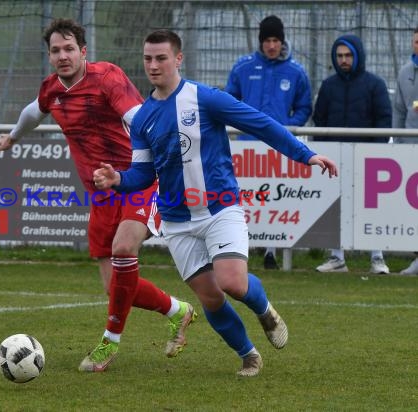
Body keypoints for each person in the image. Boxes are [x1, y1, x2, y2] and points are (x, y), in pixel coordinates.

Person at [93, 29, 338, 376]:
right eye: (148, 58)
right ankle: (249, 354)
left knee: (233, 282)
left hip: (220, 208)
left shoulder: (205, 98)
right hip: (177, 221)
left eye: (161, 57)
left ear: (178, 59)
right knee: (210, 297)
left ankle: (265, 309)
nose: (153, 65)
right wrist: (118, 180)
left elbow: (262, 124)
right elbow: (143, 175)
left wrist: (307, 155)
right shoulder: (142, 117)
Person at [0, 19, 196, 373]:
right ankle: (177, 311)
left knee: (123, 249)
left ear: (83, 51)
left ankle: (108, 345)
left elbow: (138, 118)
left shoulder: (107, 78)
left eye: (69, 48)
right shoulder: (52, 89)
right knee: (114, 285)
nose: (63, 55)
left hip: (137, 181)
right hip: (101, 195)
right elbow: (32, 113)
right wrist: (12, 137)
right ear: (50, 56)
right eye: (56, 50)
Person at [225, 15, 312, 270]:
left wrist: (286, 126)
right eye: (267, 40)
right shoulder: (243, 67)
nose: (272, 46)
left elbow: (305, 106)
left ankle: (272, 251)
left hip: (277, 147)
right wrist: (239, 125)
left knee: (275, 196)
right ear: (261, 42)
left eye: (276, 40)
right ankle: (242, 249)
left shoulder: (296, 71)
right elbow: (229, 101)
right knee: (245, 196)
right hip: (246, 145)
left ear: (282, 41)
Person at [312, 34, 392, 274]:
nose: (344, 60)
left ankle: (377, 257)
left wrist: (373, 151)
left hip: (368, 160)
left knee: (372, 209)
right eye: (339, 56)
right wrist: (325, 152)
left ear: (358, 56)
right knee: (336, 207)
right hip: (336, 159)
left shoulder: (375, 84)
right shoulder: (328, 86)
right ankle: (337, 257)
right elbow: (319, 120)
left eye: (348, 55)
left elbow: (384, 120)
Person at [393, 27, 418, 275]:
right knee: (414, 209)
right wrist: (397, 142)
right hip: (410, 150)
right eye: (417, 41)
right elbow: (399, 110)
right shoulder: (404, 73)